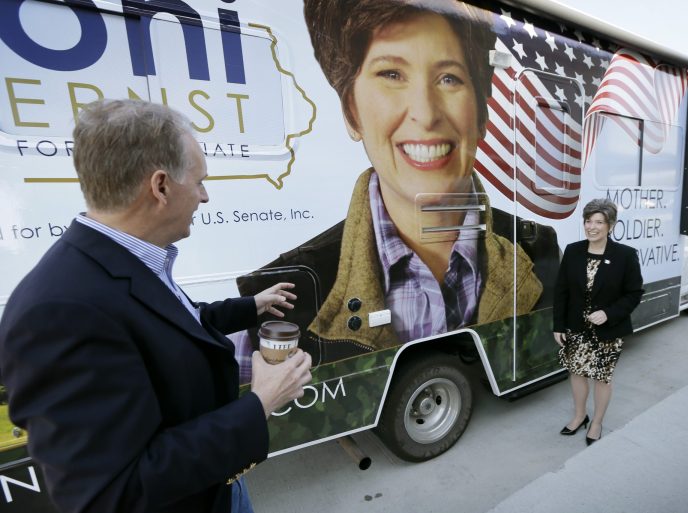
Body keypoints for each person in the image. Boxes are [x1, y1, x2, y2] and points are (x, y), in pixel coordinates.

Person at [0, 99, 312, 513]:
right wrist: (259, 404)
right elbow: (112, 493)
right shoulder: (55, 314)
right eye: (200, 181)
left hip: (217, 486)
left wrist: (249, 306)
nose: (205, 196)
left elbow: (171, 323)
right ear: (160, 186)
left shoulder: (121, 258)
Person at [235, 0, 560, 364]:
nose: (425, 113)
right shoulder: (286, 291)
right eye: (392, 74)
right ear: (351, 112)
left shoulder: (536, 248)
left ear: (481, 113)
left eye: (449, 78)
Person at [553, 198, 643, 445]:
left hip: (608, 331)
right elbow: (561, 291)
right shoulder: (573, 251)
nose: (592, 227)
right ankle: (580, 416)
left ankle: (597, 422)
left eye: (599, 222)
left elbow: (634, 293)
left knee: (602, 377)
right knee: (577, 373)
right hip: (576, 328)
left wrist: (609, 313)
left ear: (611, 225)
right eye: (588, 221)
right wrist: (558, 325)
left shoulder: (625, 255)